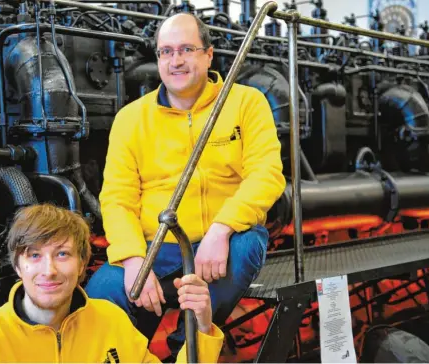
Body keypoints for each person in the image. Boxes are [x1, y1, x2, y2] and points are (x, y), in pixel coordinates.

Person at [84, 12, 286, 359]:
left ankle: (187, 349)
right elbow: (117, 198)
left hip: (220, 243)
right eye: (165, 51)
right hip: (154, 246)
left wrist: (221, 230)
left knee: (248, 244)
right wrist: (134, 260)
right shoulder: (131, 119)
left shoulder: (246, 103)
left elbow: (267, 173)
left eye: (186, 49)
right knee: (103, 288)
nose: (175, 60)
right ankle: (131, 353)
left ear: (209, 55)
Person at [0, 204, 225, 363]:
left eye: (62, 254)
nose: (49, 270)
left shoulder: (111, 322)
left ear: (82, 264)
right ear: (17, 266)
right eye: (34, 256)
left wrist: (200, 326)